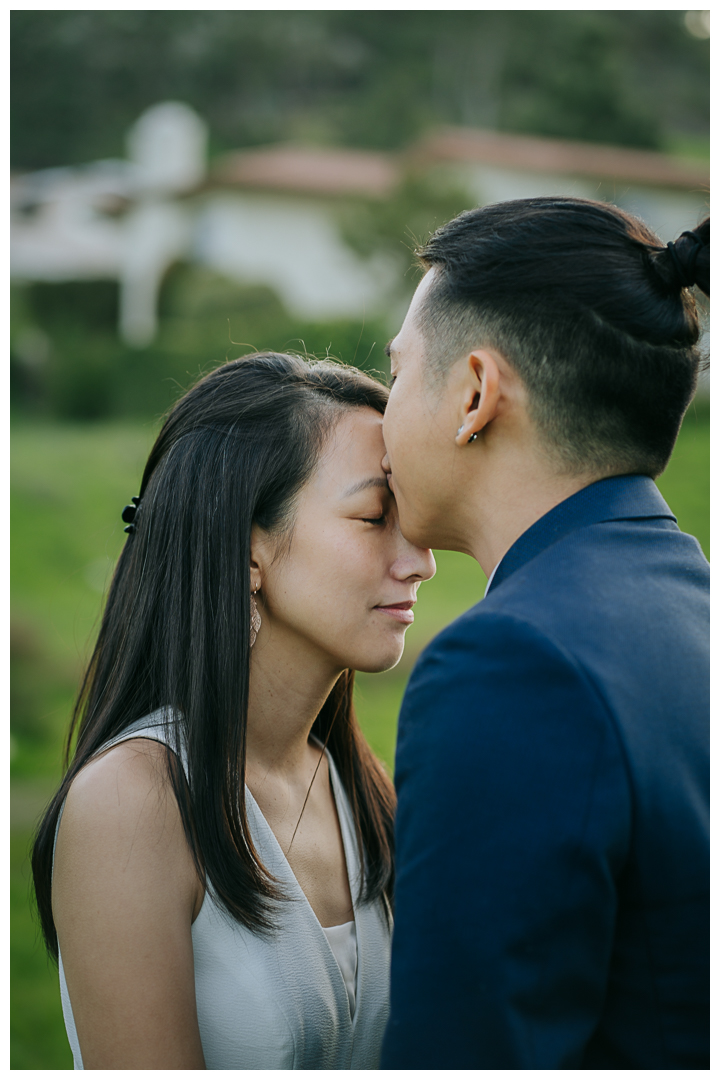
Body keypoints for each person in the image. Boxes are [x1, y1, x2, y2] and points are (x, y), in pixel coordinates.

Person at [31, 352, 435, 1070]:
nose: (419, 561)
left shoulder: (363, 787)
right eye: (375, 516)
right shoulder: (133, 803)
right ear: (248, 550)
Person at [379, 198, 709, 1069]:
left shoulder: (515, 664)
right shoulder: (690, 604)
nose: (381, 418)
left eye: (399, 372)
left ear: (476, 392)